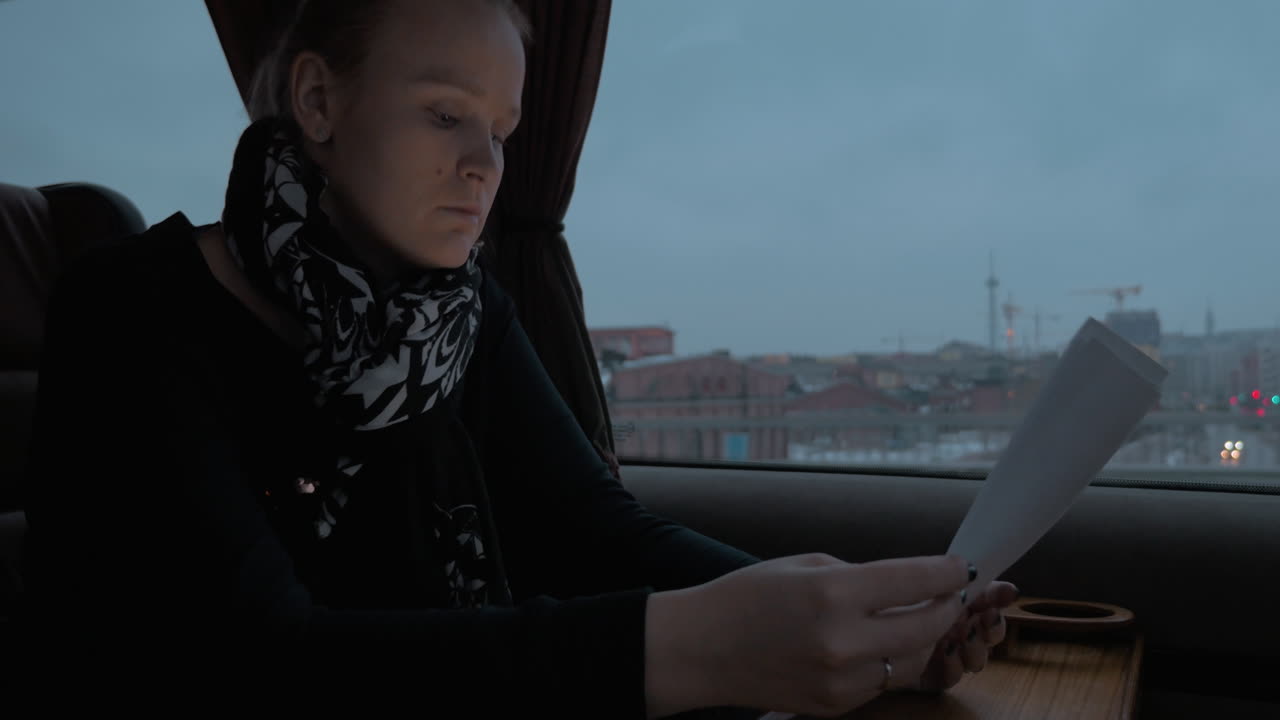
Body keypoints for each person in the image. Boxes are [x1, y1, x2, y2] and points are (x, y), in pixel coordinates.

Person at [18, 0, 1016, 716]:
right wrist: (684, 649)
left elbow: (600, 532)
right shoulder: (130, 310)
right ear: (318, 101)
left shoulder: (461, 311)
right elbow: (260, 664)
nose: (485, 166)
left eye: (499, 130)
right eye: (446, 113)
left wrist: (863, 628)